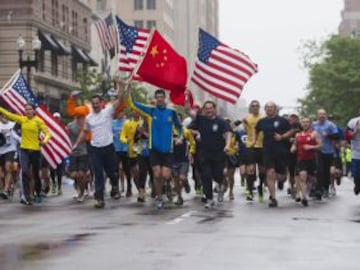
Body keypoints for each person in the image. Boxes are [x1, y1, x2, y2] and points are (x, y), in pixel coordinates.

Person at [127, 88, 183, 209]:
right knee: (157, 175)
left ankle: (169, 185)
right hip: (154, 149)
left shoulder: (171, 112)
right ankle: (159, 197)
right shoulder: (151, 111)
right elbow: (133, 104)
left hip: (168, 149)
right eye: (157, 97)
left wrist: (180, 137)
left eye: (161, 97)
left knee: (165, 175)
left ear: (164, 98)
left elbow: (179, 127)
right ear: (155, 99)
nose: (159, 99)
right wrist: (129, 89)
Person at [73, 81, 125, 208]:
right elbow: (84, 132)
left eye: (97, 103)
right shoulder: (89, 118)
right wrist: (76, 144)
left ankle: (114, 185)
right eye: (93, 104)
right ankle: (99, 198)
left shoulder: (108, 111)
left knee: (111, 171)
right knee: (98, 173)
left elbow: (120, 99)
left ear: (101, 104)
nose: (95, 106)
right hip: (95, 148)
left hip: (108, 147)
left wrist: (122, 87)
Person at [0, 104, 51, 205]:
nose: (28, 111)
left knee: (36, 174)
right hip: (24, 150)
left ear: (33, 110)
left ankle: (38, 192)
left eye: (30, 109)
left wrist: (45, 141)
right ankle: (26, 196)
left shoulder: (38, 121)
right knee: (25, 171)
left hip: (36, 150)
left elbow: (48, 133)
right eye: (26, 109)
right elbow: (9, 114)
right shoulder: (22, 119)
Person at [188, 101, 232, 208]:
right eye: (206, 108)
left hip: (218, 154)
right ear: (204, 110)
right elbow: (189, 112)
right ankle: (209, 198)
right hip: (204, 153)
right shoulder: (200, 119)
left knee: (218, 175)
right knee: (206, 176)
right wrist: (186, 99)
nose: (208, 110)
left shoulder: (221, 121)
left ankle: (221, 183)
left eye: (210, 108)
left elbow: (228, 133)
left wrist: (227, 145)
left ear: (214, 109)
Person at [253, 101, 293, 207]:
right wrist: (253, 141)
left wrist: (282, 137)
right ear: (265, 109)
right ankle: (273, 198)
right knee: (270, 173)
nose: (269, 109)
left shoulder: (283, 120)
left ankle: (281, 181)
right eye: (267, 107)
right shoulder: (262, 121)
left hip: (281, 151)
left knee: (282, 176)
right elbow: (256, 130)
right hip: (267, 151)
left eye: (271, 107)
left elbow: (291, 131)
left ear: (275, 109)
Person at [291, 117, 322, 206]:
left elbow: (320, 146)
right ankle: (304, 197)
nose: (305, 124)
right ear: (301, 124)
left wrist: (311, 147)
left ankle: (314, 187)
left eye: (307, 122)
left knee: (313, 179)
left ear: (310, 123)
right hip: (301, 159)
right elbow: (295, 145)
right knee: (302, 177)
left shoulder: (314, 134)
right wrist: (293, 148)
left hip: (312, 159)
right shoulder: (298, 135)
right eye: (303, 122)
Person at [312, 109, 338, 199]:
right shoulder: (314, 125)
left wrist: (328, 135)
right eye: (320, 114)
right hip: (317, 151)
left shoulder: (330, 125)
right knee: (319, 170)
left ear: (326, 115)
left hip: (328, 151)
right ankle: (318, 190)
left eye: (323, 114)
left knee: (326, 172)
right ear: (317, 115)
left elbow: (336, 136)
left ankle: (326, 188)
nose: (322, 116)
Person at [243, 100, 265, 202]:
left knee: (262, 170)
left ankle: (260, 187)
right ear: (250, 107)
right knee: (250, 169)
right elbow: (245, 131)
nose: (255, 107)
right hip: (250, 145)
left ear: (259, 107)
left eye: (256, 106)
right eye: (253, 106)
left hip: (262, 146)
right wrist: (245, 123)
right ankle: (249, 190)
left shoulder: (263, 117)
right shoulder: (247, 117)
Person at [0, 113, 20, 200]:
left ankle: (5, 190)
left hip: (10, 150)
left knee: (8, 168)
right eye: (3, 116)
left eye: (6, 116)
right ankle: (3, 189)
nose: (5, 118)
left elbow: (18, 136)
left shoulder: (13, 125)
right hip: (0, 150)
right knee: (1, 174)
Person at [346, 110, 360, 195]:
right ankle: (357, 185)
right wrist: (356, 131)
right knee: (356, 173)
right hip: (356, 152)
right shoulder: (352, 122)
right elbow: (347, 136)